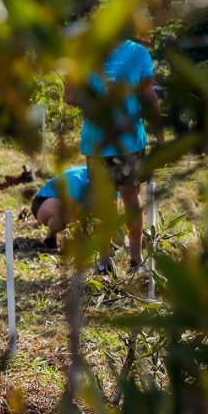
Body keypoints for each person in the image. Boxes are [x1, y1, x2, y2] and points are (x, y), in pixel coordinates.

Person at [68, 38, 161, 275]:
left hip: (98, 142)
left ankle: (104, 261)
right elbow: (149, 96)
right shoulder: (138, 52)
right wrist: (160, 135)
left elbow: (70, 98)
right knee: (131, 197)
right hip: (127, 140)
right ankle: (135, 258)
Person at [31, 166, 90, 250]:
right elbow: (68, 213)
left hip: (72, 205)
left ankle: (50, 239)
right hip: (44, 201)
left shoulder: (111, 182)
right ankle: (51, 237)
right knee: (61, 212)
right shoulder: (77, 179)